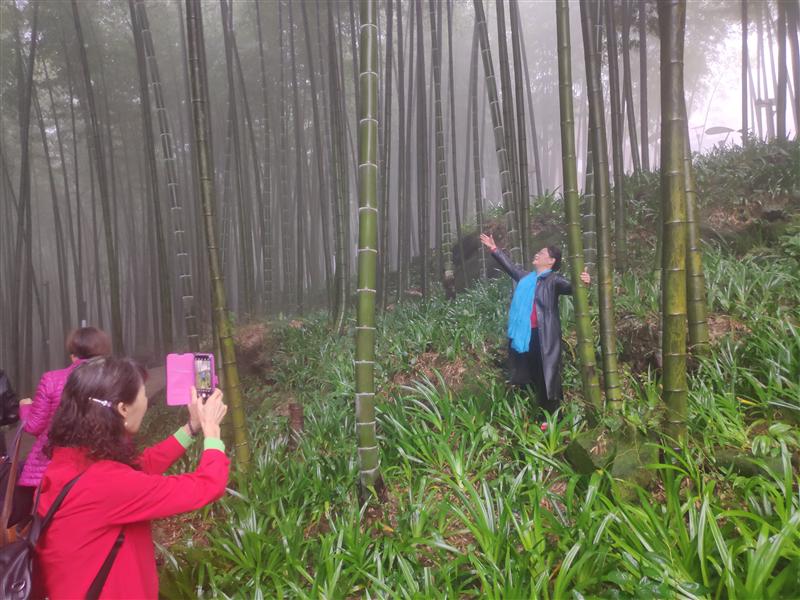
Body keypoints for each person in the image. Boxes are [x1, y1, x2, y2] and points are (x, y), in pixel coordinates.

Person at [35, 356, 229, 599]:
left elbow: (140, 466)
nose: (146, 401)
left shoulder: (71, 460)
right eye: (143, 394)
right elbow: (207, 486)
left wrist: (191, 427)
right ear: (123, 408)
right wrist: (212, 430)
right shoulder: (105, 484)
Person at [480, 233, 590, 416]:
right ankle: (532, 417)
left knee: (546, 377)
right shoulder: (525, 278)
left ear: (551, 261)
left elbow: (571, 288)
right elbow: (510, 267)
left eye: (541, 253)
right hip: (525, 336)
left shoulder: (554, 280)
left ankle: (554, 417)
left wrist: (584, 281)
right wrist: (494, 248)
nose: (537, 254)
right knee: (525, 377)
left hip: (544, 336)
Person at [16, 328, 113, 509]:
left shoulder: (51, 379)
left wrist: (26, 407)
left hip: (49, 468)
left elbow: (35, 426)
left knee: (48, 521)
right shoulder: (113, 381)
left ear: (73, 355)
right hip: (98, 462)